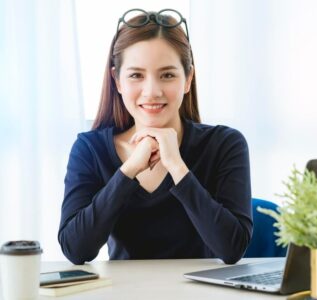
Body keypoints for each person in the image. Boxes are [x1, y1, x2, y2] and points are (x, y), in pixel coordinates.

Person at [58, 8, 252, 265]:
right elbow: (75, 249)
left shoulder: (225, 144)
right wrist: (129, 170)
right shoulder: (90, 149)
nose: (151, 91)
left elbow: (231, 249)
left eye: (168, 75)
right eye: (136, 75)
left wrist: (177, 167)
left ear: (188, 79)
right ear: (117, 80)